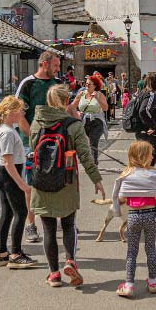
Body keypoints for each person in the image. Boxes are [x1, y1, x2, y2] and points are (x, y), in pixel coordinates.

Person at [27, 85, 97, 289]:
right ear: (67, 102)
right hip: (66, 180)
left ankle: (54, 274)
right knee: (68, 224)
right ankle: (70, 261)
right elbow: (85, 155)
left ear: (48, 101)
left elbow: (33, 148)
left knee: (48, 229)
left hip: (41, 181)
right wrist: (97, 179)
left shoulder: (36, 122)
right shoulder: (73, 125)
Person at [113, 138, 156, 298]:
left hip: (133, 216)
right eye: (151, 154)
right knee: (150, 248)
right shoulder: (152, 175)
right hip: (150, 215)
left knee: (132, 252)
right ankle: (152, 282)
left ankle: (129, 285)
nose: (153, 157)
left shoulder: (127, 175)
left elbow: (122, 198)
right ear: (143, 156)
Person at [0, 95, 37, 269]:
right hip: (9, 175)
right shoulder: (8, 132)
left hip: (4, 174)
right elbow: (8, 161)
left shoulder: (6, 129)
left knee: (7, 213)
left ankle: (2, 253)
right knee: (21, 212)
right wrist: (22, 185)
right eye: (20, 110)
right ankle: (15, 254)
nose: (22, 114)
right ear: (11, 112)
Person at [13, 52, 66, 130]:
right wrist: (32, 138)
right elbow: (19, 114)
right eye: (55, 65)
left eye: (59, 66)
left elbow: (65, 109)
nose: (58, 69)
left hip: (56, 138)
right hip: (31, 138)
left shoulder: (59, 83)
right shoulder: (28, 83)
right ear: (45, 64)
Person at [123, 73, 156, 157]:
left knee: (142, 159)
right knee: (149, 159)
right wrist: (152, 126)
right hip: (148, 133)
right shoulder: (150, 95)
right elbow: (143, 111)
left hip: (140, 131)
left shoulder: (141, 93)